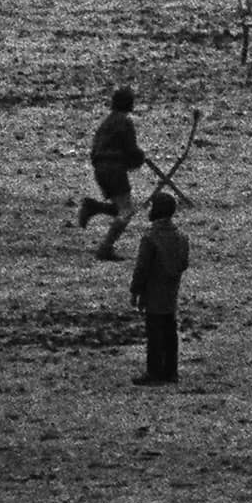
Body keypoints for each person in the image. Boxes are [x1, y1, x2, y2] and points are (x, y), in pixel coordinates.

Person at [75, 85, 145, 260]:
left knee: (119, 207)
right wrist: (139, 158)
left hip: (100, 169)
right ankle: (106, 247)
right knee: (127, 210)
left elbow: (97, 149)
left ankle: (94, 207)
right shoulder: (125, 122)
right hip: (115, 169)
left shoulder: (106, 122)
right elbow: (131, 149)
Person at [130, 192, 190, 385]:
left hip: (153, 291)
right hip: (171, 291)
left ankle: (154, 372)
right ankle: (171, 372)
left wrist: (136, 290)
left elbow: (142, 268)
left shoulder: (150, 238)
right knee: (170, 331)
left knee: (154, 334)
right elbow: (183, 263)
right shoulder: (181, 237)